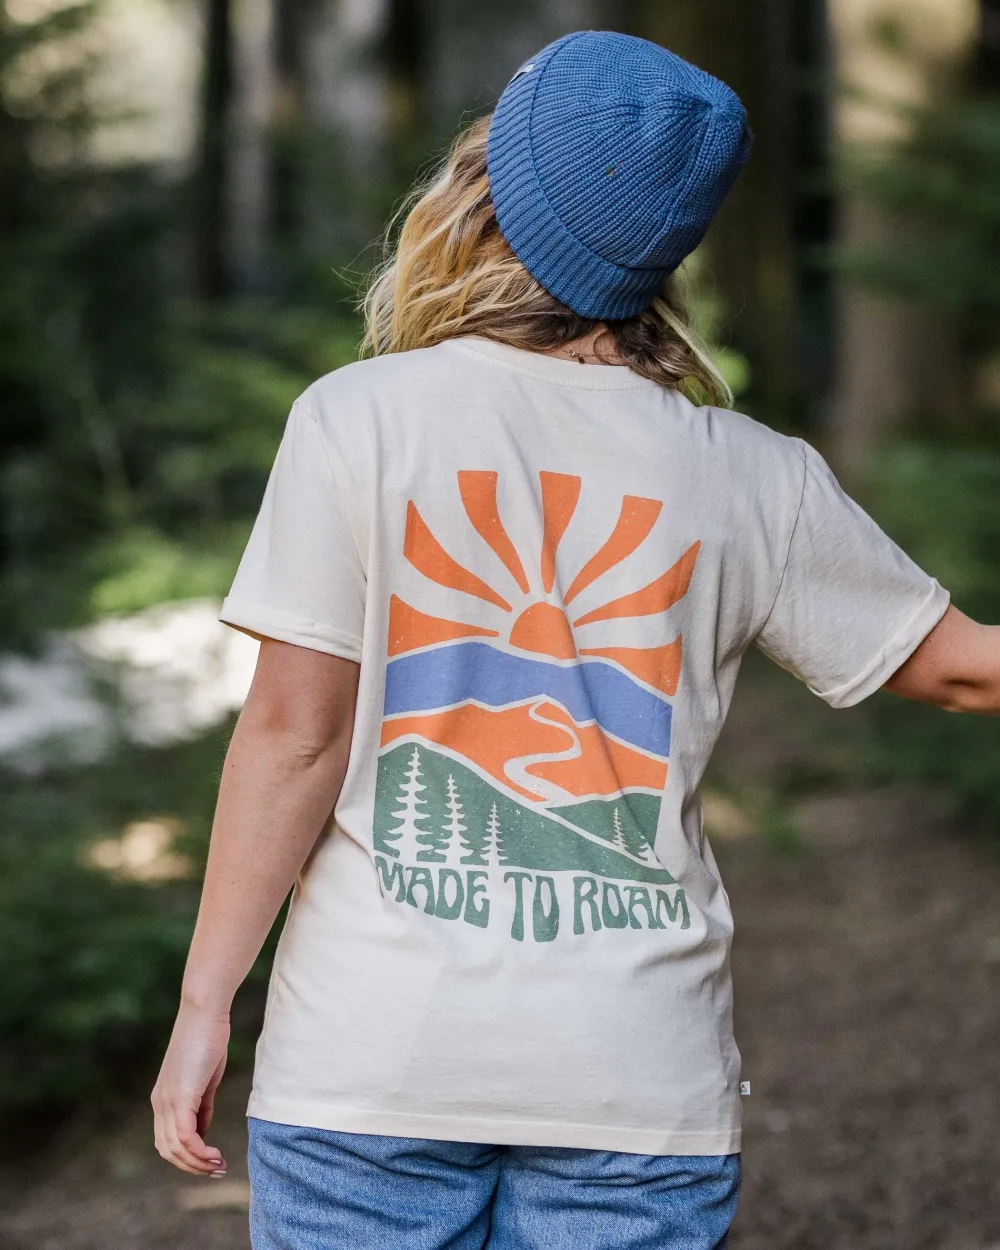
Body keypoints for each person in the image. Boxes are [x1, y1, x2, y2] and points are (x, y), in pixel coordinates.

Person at [151, 30, 996, 1250]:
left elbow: (293, 736)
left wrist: (204, 1004)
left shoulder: (356, 420)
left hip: (370, 1066)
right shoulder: (749, 473)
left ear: (485, 196)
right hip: (635, 1085)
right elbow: (966, 667)